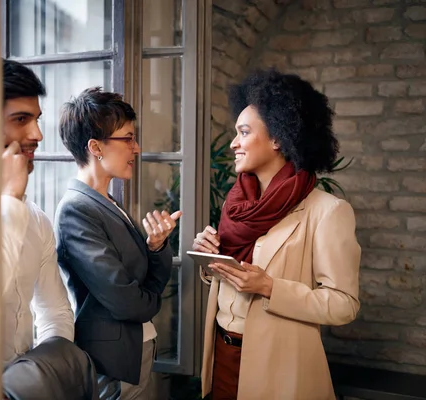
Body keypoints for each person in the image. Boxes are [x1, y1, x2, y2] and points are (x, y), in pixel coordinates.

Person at [192, 68, 361, 400]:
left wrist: (270, 287)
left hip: (280, 369)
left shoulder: (328, 211)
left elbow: (344, 304)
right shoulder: (236, 202)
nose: (233, 142)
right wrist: (209, 259)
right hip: (222, 356)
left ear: (279, 138)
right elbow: (231, 278)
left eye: (243, 132)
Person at [54, 87, 182, 400]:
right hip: (112, 363)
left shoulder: (108, 201)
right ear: (95, 147)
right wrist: (153, 302)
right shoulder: (76, 209)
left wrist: (155, 247)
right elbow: (126, 302)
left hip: (136, 350)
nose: (136, 148)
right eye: (127, 138)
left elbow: (143, 284)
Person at [0, 59, 74, 365]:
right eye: (21, 119)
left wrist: (42, 372)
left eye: (37, 119)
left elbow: (55, 311)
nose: (38, 134)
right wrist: (11, 199)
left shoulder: (37, 219)